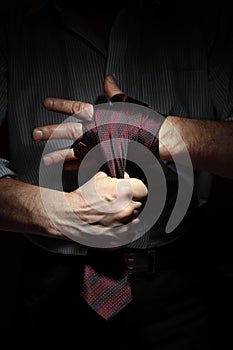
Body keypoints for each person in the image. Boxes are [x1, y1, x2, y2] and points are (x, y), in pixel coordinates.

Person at [0, 0, 233, 349]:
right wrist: (64, 214)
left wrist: (158, 134)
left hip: (176, 288)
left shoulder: (204, 15)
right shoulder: (10, 20)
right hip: (51, 291)